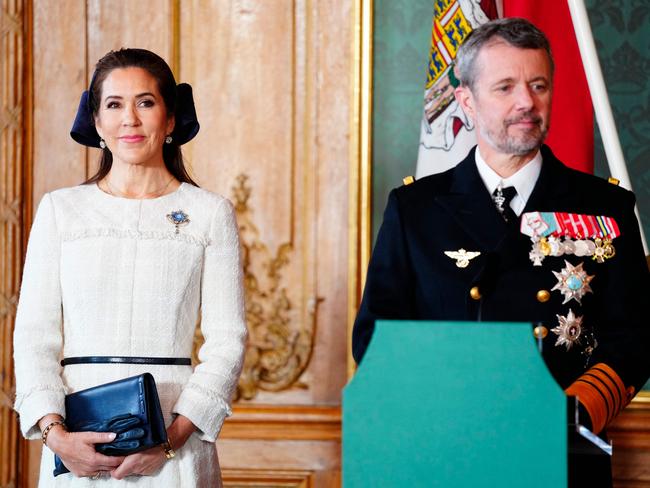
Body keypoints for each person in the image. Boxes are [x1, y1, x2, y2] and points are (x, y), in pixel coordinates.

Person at [352, 18, 649, 487]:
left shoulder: (605, 206)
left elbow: (635, 336)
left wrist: (569, 413)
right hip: (443, 452)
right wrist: (442, 413)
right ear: (467, 101)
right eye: (505, 87)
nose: (526, 102)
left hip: (561, 451)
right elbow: (376, 335)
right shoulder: (415, 209)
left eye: (538, 85)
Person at [13, 48, 247, 486]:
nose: (130, 119)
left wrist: (170, 439)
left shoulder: (209, 212)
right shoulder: (61, 210)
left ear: (171, 118)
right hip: (75, 439)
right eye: (114, 105)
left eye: (145, 102)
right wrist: (56, 435)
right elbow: (33, 334)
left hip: (176, 444)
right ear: (97, 122)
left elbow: (228, 340)